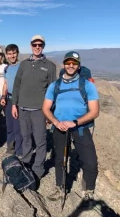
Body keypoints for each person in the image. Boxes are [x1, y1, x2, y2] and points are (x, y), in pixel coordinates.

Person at [42, 51, 99, 203]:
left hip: (80, 127)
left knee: (90, 161)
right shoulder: (55, 85)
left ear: (79, 65)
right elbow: (46, 108)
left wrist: (75, 122)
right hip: (60, 127)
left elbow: (95, 111)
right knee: (60, 159)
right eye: (68, 63)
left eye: (74, 63)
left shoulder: (87, 85)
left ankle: (88, 190)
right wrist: (55, 122)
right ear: (64, 64)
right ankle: (60, 187)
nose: (71, 65)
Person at [11, 35, 56, 181]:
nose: (37, 47)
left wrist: (50, 112)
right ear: (31, 45)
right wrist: (14, 104)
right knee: (26, 138)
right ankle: (25, 162)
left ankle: (38, 170)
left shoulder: (50, 66)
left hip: (39, 110)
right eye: (34, 44)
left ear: (43, 46)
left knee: (41, 140)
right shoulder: (23, 64)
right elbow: (17, 85)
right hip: (23, 108)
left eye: (40, 44)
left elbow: (52, 90)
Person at [0, 44, 22, 156]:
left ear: (17, 53)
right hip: (8, 99)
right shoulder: (7, 68)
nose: (12, 56)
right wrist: (3, 97)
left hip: (19, 100)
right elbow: (5, 84)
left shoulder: (22, 66)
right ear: (6, 55)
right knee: (9, 125)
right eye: (9, 54)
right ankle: (10, 147)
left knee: (18, 126)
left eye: (14, 53)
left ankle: (19, 151)